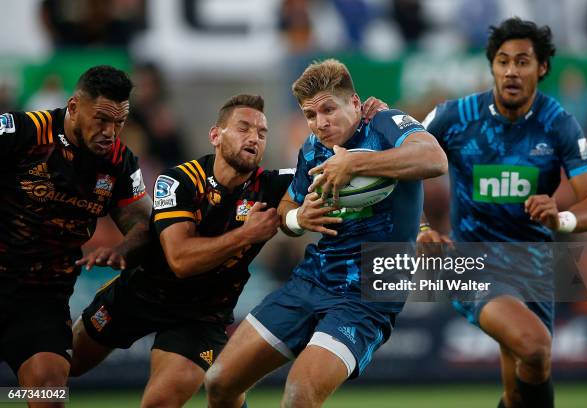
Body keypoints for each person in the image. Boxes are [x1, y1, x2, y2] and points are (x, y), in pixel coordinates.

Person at [70, 93, 388, 407]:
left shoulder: (274, 187)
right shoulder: (179, 181)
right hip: (139, 295)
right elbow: (180, 261)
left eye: (262, 133)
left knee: (161, 403)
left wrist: (368, 124)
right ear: (215, 135)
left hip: (201, 317)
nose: (254, 138)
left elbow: (339, 170)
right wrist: (245, 235)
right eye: (243, 128)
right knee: (59, 369)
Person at [205, 59, 447, 408]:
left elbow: (435, 159)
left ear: (354, 102)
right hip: (315, 278)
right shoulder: (312, 149)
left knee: (299, 397)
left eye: (328, 109)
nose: (320, 123)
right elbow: (288, 206)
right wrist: (297, 219)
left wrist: (354, 163)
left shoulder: (384, 122)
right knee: (219, 382)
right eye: (310, 114)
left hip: (369, 291)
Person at [418, 18, 587, 408]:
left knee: (524, 384)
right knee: (535, 346)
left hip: (536, 265)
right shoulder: (456, 118)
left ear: (542, 68)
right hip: (472, 261)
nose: (511, 71)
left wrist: (561, 217)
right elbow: (403, 166)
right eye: (502, 61)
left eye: (522, 61)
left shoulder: (558, 125)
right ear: (492, 67)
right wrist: (420, 227)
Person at [0, 65, 151, 407]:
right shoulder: (23, 131)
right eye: (101, 119)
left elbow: (143, 224)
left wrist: (123, 249)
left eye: (119, 123)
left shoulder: (120, 163)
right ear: (72, 107)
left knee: (50, 394)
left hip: (41, 297)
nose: (110, 132)